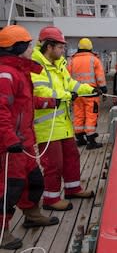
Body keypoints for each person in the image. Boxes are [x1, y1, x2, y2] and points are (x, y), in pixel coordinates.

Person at [0, 25, 59, 250]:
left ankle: (32, 215)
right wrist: (9, 140)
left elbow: (24, 103)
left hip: (23, 141)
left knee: (34, 181)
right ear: (18, 47)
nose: (32, 49)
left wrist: (50, 102)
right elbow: (1, 109)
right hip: (10, 145)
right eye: (28, 45)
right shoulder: (6, 73)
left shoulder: (19, 71)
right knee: (9, 188)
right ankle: (2, 232)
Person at [31, 26, 97, 211]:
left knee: (71, 156)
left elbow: (71, 83)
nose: (63, 51)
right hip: (47, 124)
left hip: (63, 123)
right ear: (49, 46)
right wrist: (67, 95)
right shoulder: (36, 65)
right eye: (60, 47)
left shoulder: (58, 64)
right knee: (54, 164)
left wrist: (89, 90)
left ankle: (72, 188)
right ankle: (51, 200)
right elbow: (40, 91)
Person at [67, 38, 107, 149]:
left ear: (79, 48)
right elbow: (100, 76)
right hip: (91, 93)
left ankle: (80, 139)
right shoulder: (94, 60)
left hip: (77, 94)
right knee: (91, 116)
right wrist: (103, 88)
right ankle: (91, 141)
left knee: (78, 115)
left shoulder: (71, 60)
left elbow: (67, 77)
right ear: (90, 48)